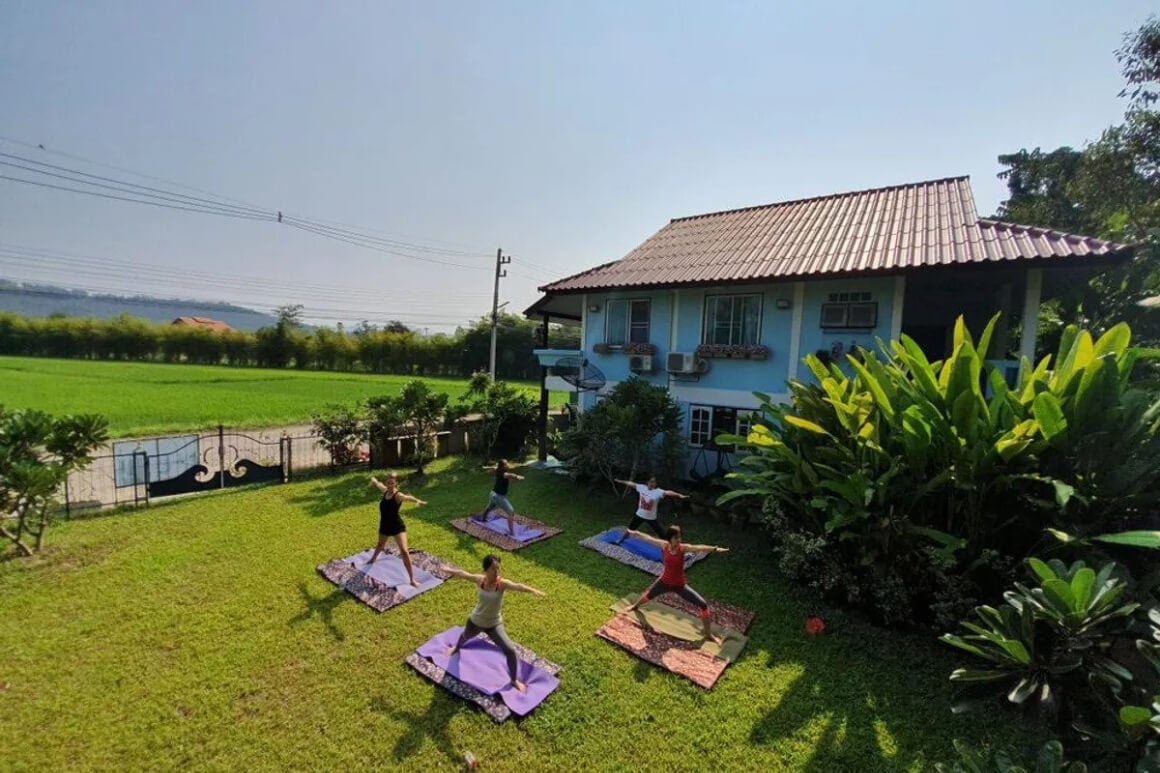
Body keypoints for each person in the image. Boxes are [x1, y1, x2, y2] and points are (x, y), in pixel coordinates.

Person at [442, 554, 546, 693]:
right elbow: (463, 574)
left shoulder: (501, 584)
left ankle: (514, 680)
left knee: (510, 650)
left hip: (494, 624)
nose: (496, 572)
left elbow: (518, 586)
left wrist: (533, 590)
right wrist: (448, 570)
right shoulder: (480, 580)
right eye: (493, 569)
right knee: (465, 635)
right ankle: (456, 648)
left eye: (498, 569)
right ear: (485, 570)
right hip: (476, 621)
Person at [620, 525, 729, 643]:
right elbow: (647, 538)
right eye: (676, 537)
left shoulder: (682, 548)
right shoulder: (664, 545)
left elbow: (698, 548)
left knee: (703, 604)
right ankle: (635, 606)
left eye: (680, 537)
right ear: (670, 538)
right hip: (664, 582)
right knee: (648, 595)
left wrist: (715, 549)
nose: (679, 540)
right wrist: (632, 532)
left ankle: (708, 634)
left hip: (680, 585)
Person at [367, 473, 428, 587]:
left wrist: (417, 501)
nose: (390, 485)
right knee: (380, 545)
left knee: (404, 551)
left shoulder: (398, 495)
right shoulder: (385, 491)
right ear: (387, 483)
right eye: (388, 483)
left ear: (396, 484)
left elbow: (408, 497)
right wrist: (373, 480)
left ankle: (412, 579)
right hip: (385, 525)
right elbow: (378, 484)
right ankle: (373, 558)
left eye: (392, 483)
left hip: (397, 527)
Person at [613, 475, 688, 542]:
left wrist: (679, 495)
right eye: (651, 481)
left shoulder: (658, 491)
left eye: (654, 482)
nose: (653, 484)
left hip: (651, 518)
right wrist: (620, 481)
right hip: (639, 515)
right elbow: (631, 483)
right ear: (647, 482)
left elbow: (668, 492)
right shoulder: (642, 487)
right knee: (630, 529)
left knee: (662, 534)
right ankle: (621, 540)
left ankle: (669, 547)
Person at [481, 459, 525, 536]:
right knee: (511, 512)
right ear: (502, 467)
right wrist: (517, 477)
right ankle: (512, 533)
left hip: (492, 494)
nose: (507, 465)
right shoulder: (504, 474)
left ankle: (483, 518)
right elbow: (510, 475)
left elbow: (493, 468)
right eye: (505, 464)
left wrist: (486, 467)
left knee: (489, 507)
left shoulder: (497, 470)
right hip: (499, 497)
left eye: (507, 463)